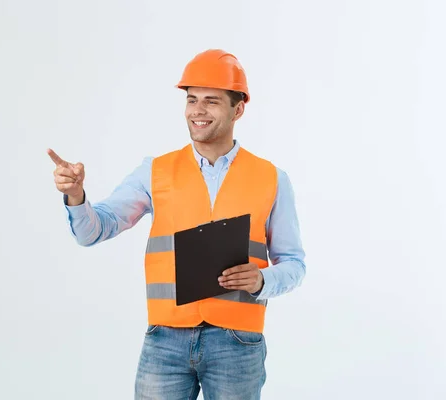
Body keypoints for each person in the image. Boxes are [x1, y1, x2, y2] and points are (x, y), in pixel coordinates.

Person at [47, 49, 306, 400]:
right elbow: (94, 230)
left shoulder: (272, 178)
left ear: (238, 109)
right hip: (165, 340)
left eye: (211, 101)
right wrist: (77, 195)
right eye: (192, 99)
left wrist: (263, 279)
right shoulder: (155, 171)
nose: (197, 110)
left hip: (237, 341)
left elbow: (293, 264)